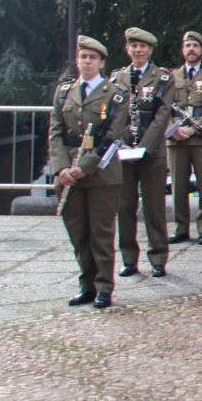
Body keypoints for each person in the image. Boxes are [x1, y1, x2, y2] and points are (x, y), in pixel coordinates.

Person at [50, 36, 130, 308]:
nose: (86, 62)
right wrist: (61, 167)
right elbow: (56, 132)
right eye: (83, 57)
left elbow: (112, 135)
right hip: (68, 174)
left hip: (100, 174)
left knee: (101, 232)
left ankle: (104, 287)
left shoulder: (116, 94)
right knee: (78, 232)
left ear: (102, 62)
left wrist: (83, 168)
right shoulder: (64, 92)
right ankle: (86, 284)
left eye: (92, 58)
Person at [109, 27, 174, 277]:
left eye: (143, 47)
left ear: (150, 50)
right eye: (134, 46)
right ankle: (128, 259)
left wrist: (144, 147)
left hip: (151, 150)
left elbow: (162, 115)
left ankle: (158, 257)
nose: (138, 50)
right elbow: (112, 114)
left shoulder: (164, 78)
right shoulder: (117, 78)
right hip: (124, 149)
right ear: (128, 49)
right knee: (124, 205)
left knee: (154, 206)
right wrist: (122, 142)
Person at [167, 30, 202, 247]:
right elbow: (164, 107)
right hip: (176, 138)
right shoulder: (171, 77)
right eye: (187, 45)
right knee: (178, 186)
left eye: (195, 46)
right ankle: (181, 228)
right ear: (183, 50)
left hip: (201, 138)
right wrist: (174, 129)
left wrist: (194, 129)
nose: (191, 49)